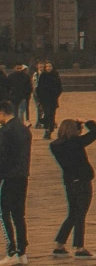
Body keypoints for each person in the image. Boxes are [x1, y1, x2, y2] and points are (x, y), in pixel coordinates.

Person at [49, 116, 96, 258]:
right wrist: (89, 122)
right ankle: (79, 247)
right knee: (81, 214)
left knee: (72, 213)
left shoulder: (55, 146)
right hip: (83, 182)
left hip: (70, 182)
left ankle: (60, 244)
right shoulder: (77, 142)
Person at [0, 101, 29, 265]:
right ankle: (22, 252)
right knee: (19, 215)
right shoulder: (23, 128)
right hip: (22, 176)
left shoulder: (5, 131)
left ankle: (11, 251)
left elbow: (2, 156)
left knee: (4, 213)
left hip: (8, 177)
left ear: (2, 113)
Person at [32, 66, 59, 138]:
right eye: (47, 66)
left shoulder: (55, 75)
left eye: (50, 66)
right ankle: (47, 129)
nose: (48, 68)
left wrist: (55, 95)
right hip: (44, 100)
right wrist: (40, 98)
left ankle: (50, 130)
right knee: (47, 114)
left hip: (53, 100)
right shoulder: (43, 76)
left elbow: (59, 88)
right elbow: (39, 88)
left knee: (52, 115)